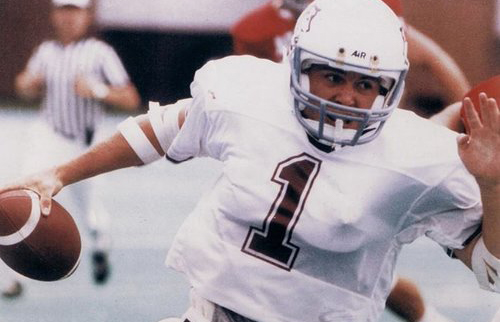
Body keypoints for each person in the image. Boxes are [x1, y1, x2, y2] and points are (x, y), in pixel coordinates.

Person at [2, 1, 499, 321]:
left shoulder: (420, 156)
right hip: (213, 311)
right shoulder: (248, 93)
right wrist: (60, 172)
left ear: (392, 89)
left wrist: (494, 189)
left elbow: (491, 269)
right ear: (297, 64)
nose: (347, 97)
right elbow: (161, 130)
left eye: (366, 84)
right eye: (331, 76)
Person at [231, 1, 465, 321]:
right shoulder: (257, 29)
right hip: (295, 147)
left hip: (363, 148)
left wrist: (466, 112)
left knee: (344, 266)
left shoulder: (363, 22)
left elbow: (435, 59)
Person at [7, 0, 140, 293]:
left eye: (75, 10)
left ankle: (100, 244)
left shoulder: (100, 53)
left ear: (86, 15)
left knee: (91, 210)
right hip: (49, 134)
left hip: (84, 143)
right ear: (55, 14)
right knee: (23, 193)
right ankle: (13, 277)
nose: (69, 17)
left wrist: (98, 89)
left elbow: (130, 97)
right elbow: (24, 86)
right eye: (64, 10)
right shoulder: (46, 52)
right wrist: (29, 83)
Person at [230, 0, 470, 119]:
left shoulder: (365, 10)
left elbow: (434, 58)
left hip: (366, 126)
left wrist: (469, 121)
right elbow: (252, 91)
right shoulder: (255, 30)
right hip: (295, 126)